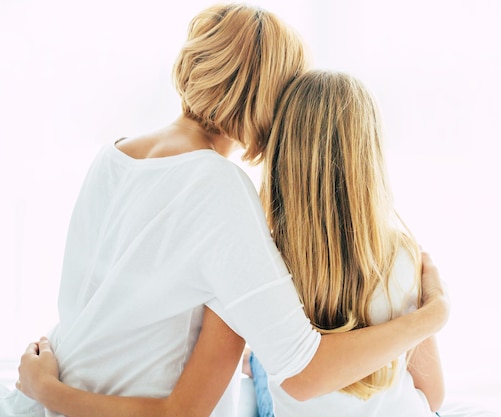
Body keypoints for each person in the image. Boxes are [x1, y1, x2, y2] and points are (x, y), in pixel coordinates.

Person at [6, 4, 450, 417]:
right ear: (272, 98)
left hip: (44, 391)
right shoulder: (218, 187)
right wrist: (433, 316)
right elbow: (302, 372)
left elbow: (123, 313)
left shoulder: (112, 156)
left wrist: (46, 390)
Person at [256, 70, 444, 417]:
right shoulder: (401, 254)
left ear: (282, 154)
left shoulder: (263, 260)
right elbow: (432, 395)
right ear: (369, 158)